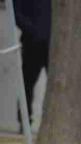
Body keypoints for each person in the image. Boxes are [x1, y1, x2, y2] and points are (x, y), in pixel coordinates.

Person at [13, 0, 51, 133]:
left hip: (53, 45)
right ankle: (24, 123)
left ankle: (53, 122)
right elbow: (15, 14)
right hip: (31, 43)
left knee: (57, 85)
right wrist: (33, 30)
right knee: (26, 84)